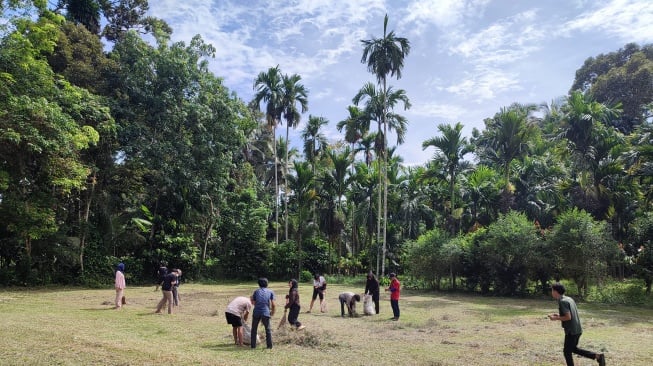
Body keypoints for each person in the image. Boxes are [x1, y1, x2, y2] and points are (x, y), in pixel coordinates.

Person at [548, 283, 606, 366]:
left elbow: (568, 317)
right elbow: (569, 314)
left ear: (556, 291)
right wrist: (559, 316)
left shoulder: (562, 301)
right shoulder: (569, 299)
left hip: (571, 331)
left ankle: (598, 357)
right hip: (577, 329)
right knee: (573, 349)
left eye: (552, 290)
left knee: (567, 352)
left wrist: (555, 318)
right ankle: (598, 357)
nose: (551, 292)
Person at [250, 277, 276, 349]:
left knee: (254, 329)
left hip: (256, 312)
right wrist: (272, 312)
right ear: (267, 284)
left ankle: (253, 346)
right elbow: (273, 304)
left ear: (259, 284)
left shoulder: (256, 291)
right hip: (265, 312)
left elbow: (254, 302)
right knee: (267, 329)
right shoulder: (270, 291)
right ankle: (269, 346)